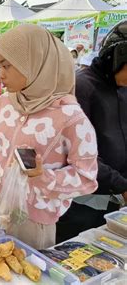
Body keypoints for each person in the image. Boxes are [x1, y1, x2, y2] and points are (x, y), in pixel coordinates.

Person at [0, 24, 99, 249]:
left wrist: (44, 178)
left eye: (7, 66)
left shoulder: (70, 117)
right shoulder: (5, 103)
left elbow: (86, 178)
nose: (1, 74)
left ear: (36, 64)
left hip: (35, 218)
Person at [56, 21, 127, 243]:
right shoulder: (82, 87)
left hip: (114, 198)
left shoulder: (122, 88)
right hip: (82, 202)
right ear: (115, 58)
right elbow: (78, 153)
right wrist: (121, 184)